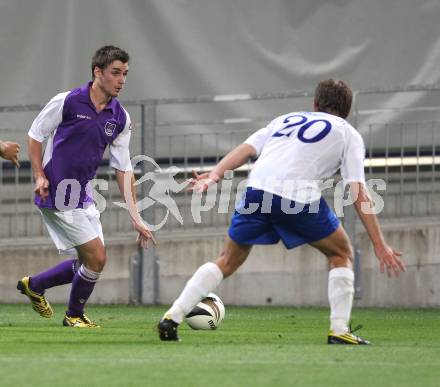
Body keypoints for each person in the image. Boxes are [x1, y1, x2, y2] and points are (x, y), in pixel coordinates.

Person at [157, 79, 406, 344]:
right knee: (341, 253)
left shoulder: (285, 119)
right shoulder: (348, 134)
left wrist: (215, 175)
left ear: (314, 103)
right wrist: (379, 244)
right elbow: (358, 191)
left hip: (256, 190)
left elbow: (247, 149)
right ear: (347, 110)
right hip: (297, 197)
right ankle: (339, 330)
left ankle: (173, 316)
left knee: (227, 259)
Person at [17, 45, 155, 328]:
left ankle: (35, 285)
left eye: (125, 74)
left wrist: (135, 215)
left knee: (89, 262)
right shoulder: (67, 101)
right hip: (57, 191)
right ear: (97, 72)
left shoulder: (120, 118)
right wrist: (39, 175)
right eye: (115, 73)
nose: (121, 80)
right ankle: (74, 316)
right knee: (96, 259)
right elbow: (35, 135)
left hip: (83, 194)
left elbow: (123, 167)